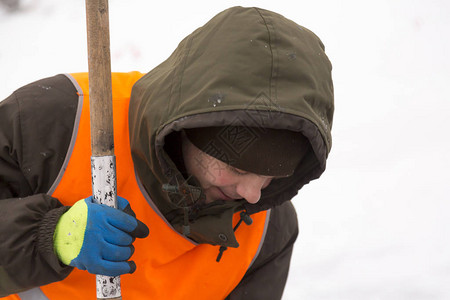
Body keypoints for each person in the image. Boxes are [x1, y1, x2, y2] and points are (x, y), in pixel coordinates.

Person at [0, 6, 334, 300]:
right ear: (190, 128)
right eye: (238, 167)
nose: (252, 194)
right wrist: (49, 236)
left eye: (272, 175)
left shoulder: (267, 229)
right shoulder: (57, 121)